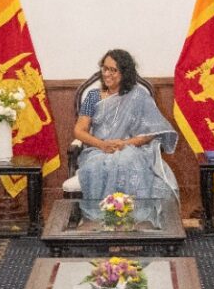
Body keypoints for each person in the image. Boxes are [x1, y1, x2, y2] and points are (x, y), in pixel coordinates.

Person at [72, 48, 180, 219]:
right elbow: (79, 130)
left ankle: (133, 219)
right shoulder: (93, 96)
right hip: (98, 150)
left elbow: (151, 132)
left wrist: (125, 144)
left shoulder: (138, 96)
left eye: (113, 70)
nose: (107, 74)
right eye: (104, 68)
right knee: (97, 166)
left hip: (131, 148)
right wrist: (102, 145)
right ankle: (106, 219)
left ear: (125, 73)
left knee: (126, 160)